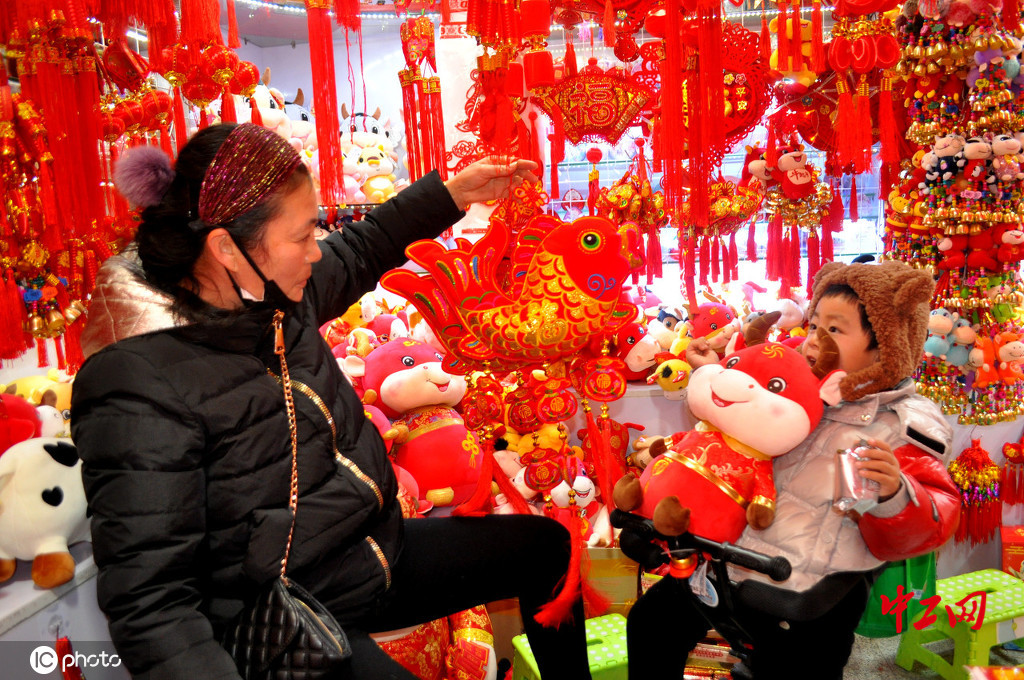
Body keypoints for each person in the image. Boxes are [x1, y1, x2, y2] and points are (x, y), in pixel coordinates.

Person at [70, 123, 593, 680]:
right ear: (226, 248)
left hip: (371, 552)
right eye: (302, 236)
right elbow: (152, 605)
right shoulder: (136, 380)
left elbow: (363, 247)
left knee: (549, 551)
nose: (316, 250)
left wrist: (452, 195)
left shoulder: (272, 296)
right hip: (280, 614)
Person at [625, 260, 961, 680]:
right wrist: (719, 370)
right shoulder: (799, 383)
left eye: (835, 329)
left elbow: (933, 519)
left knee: (794, 670)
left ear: (887, 343)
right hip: (726, 562)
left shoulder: (902, 424)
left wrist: (895, 495)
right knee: (650, 624)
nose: (816, 339)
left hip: (808, 597)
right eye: (815, 324)